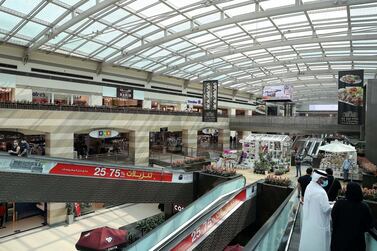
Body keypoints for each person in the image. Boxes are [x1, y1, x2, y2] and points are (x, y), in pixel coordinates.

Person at [331, 182, 374, 251]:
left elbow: (334, 218)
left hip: (339, 241)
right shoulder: (364, 207)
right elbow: (369, 224)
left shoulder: (339, 204)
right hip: (357, 242)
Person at [299, 169, 332, 251]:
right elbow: (326, 209)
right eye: (323, 179)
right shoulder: (321, 192)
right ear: (318, 178)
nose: (325, 181)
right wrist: (333, 205)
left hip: (309, 221)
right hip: (319, 223)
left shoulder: (309, 187)